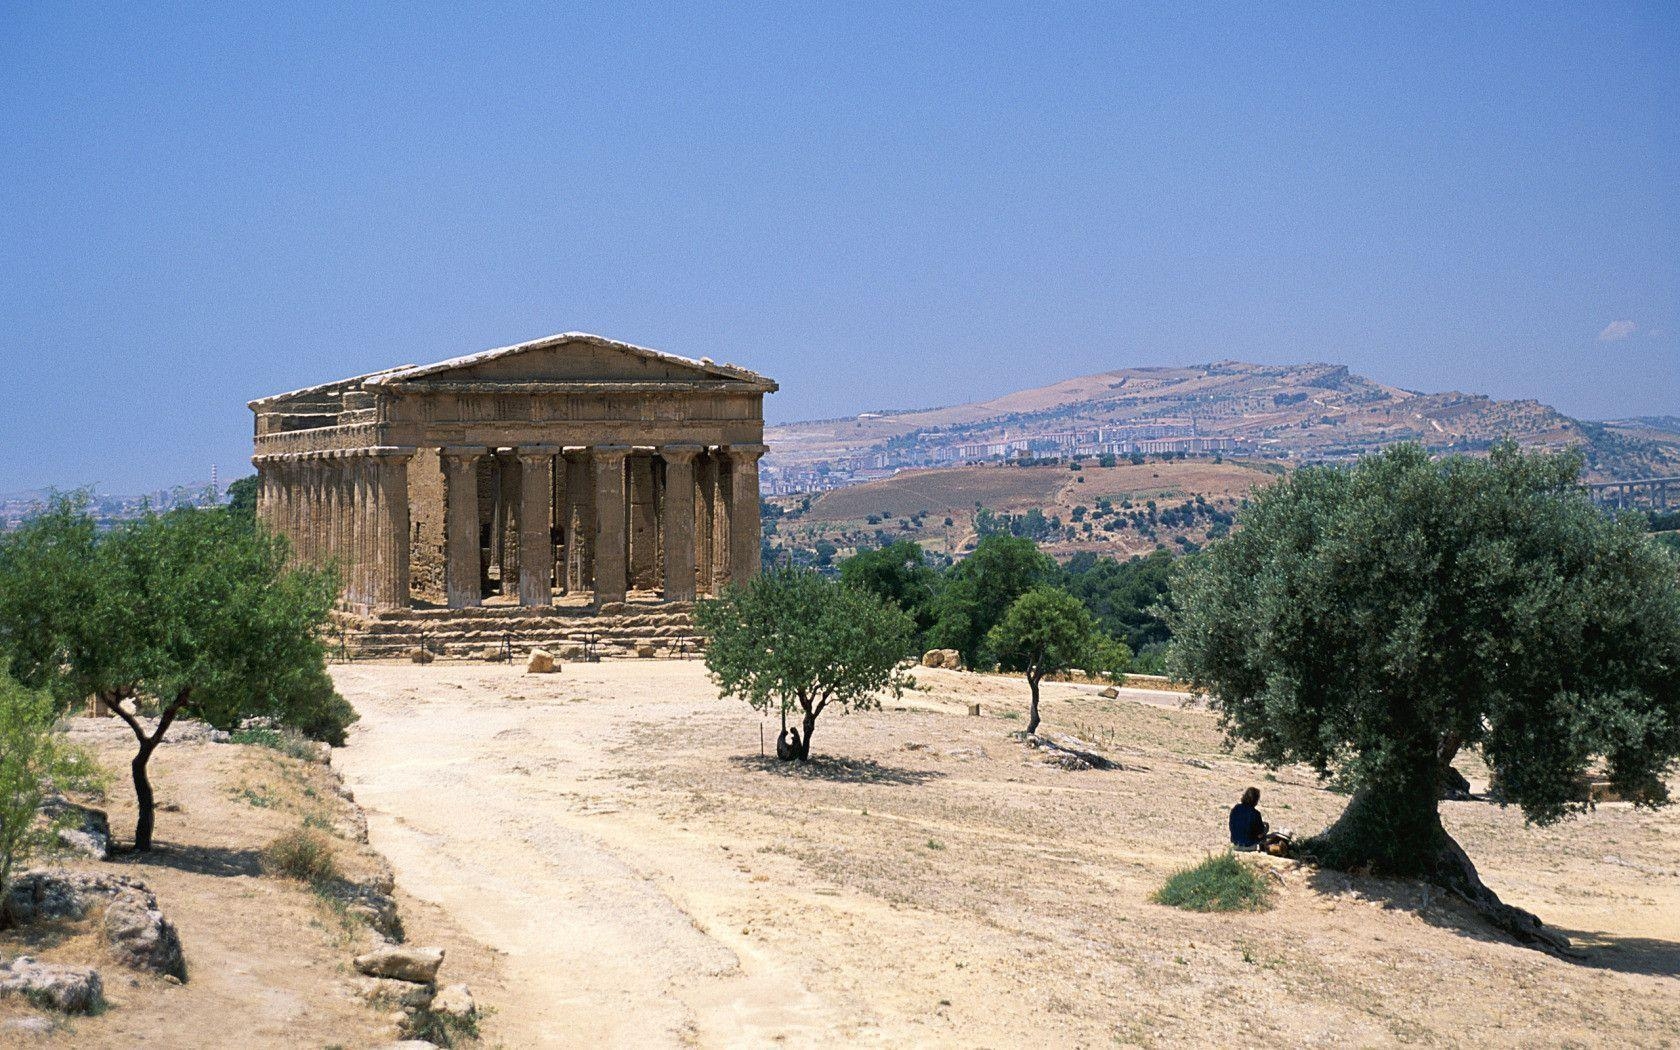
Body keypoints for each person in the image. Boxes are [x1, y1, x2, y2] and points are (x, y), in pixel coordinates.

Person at [1229, 786, 1267, 851]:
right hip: (1249, 845)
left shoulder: (1236, 808)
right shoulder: (1255, 813)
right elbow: (1260, 833)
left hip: (1235, 843)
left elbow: (1231, 825)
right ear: (1255, 800)